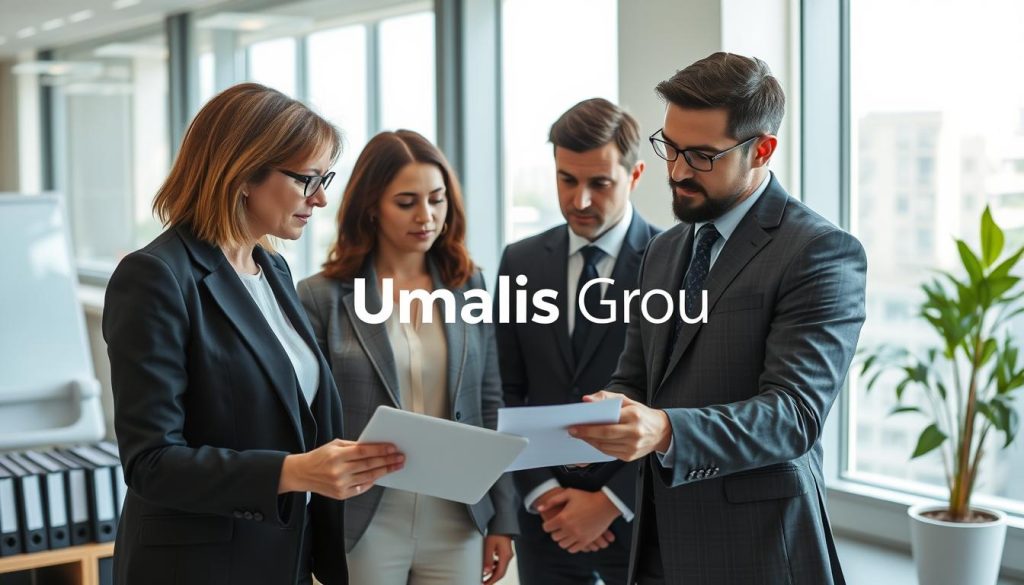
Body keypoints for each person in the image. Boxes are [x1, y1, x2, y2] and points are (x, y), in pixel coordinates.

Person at [569, 52, 867, 584]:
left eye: (702, 156)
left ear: (762, 150)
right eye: (671, 147)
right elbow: (634, 381)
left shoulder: (820, 252)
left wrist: (663, 430)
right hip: (656, 547)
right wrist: (581, 431)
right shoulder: (662, 251)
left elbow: (793, 416)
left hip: (759, 550)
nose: (678, 172)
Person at [103, 83, 404, 585]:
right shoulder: (156, 276)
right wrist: (294, 471)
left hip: (279, 556)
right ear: (243, 174)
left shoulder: (274, 269)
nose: (322, 197)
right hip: (195, 567)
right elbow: (151, 461)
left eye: (324, 178)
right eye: (308, 179)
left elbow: (289, 414)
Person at [297, 129, 518, 585]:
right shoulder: (320, 297)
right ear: (371, 206)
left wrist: (503, 519)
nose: (427, 216)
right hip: (364, 521)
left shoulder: (468, 284)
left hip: (458, 519)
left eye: (437, 200)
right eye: (406, 202)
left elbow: (490, 405)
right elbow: (307, 419)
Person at [494, 98, 659, 585]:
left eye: (599, 183)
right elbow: (503, 387)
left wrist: (610, 501)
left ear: (635, 175)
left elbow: (681, 399)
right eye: (567, 179)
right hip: (543, 516)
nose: (580, 200)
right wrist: (541, 491)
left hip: (639, 513)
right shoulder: (520, 261)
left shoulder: (673, 263)